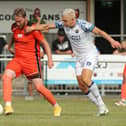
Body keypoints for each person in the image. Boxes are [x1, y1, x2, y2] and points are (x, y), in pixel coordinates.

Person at [25, 8, 121, 116]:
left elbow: (99, 32)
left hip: (90, 54)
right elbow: (46, 26)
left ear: (73, 19)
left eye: (65, 20)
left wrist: (111, 40)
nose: (63, 23)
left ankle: (102, 105)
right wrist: (32, 28)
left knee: (86, 78)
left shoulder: (84, 25)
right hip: (78, 57)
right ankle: (100, 107)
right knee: (82, 85)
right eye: (63, 20)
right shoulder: (64, 24)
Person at [2, 8, 62, 116]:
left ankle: (56, 106)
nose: (17, 23)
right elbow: (14, 36)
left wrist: (50, 60)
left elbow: (45, 44)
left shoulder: (33, 29)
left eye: (19, 21)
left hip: (32, 62)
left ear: (25, 18)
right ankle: (8, 105)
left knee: (39, 88)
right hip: (18, 60)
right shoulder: (14, 27)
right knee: (6, 76)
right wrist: (10, 46)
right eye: (16, 21)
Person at [114, 39, 126, 106]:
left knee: (125, 81)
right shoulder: (122, 49)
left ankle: (124, 100)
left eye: (123, 43)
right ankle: (124, 99)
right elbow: (115, 53)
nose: (122, 45)